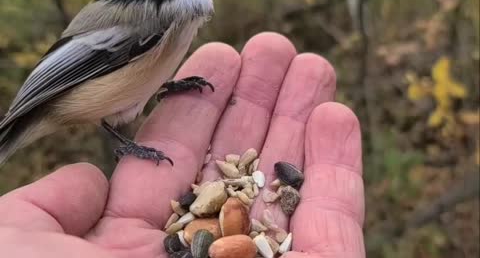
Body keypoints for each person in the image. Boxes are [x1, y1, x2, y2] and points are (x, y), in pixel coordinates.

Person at [0, 33, 365, 258]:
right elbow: (85, 78)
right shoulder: (154, 14)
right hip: (71, 93)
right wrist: (132, 145)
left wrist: (163, 87)